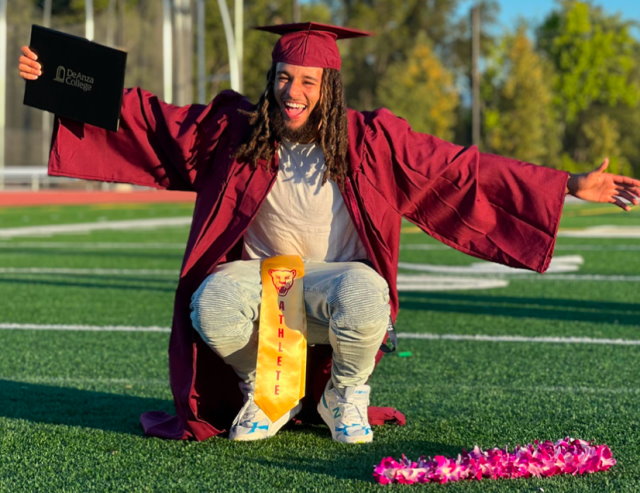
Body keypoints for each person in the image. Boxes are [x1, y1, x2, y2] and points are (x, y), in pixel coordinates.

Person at [18, 22, 640, 444]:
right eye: (285, 78)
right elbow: (149, 119)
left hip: (335, 285)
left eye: (308, 83)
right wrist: (55, 76)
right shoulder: (235, 132)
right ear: (273, 79)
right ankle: (268, 389)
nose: (293, 93)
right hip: (265, 284)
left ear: (329, 88)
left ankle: (345, 393)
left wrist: (565, 183)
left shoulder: (372, 140)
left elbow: (459, 169)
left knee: (372, 295)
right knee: (209, 301)